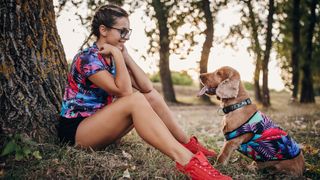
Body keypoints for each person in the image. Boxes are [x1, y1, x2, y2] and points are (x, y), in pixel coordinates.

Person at [57, 4, 231, 179]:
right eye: (122, 32)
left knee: (150, 96)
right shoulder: (88, 58)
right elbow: (124, 93)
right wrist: (118, 55)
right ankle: (188, 162)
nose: (126, 38)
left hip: (100, 125)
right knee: (135, 99)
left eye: (128, 32)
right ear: (103, 30)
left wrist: (124, 56)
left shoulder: (112, 57)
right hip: (78, 132)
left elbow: (147, 87)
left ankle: (188, 145)